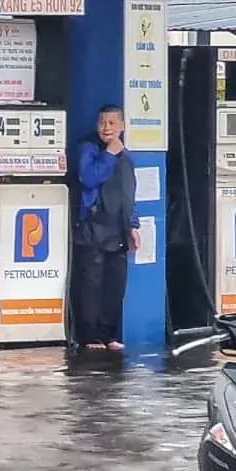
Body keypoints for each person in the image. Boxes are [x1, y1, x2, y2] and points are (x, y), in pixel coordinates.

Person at [70, 105, 137, 354]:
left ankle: (109, 334)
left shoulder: (125, 156)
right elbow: (88, 177)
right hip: (92, 227)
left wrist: (133, 226)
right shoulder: (89, 148)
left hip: (117, 229)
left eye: (112, 123)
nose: (106, 128)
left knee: (115, 285)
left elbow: (128, 194)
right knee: (91, 283)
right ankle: (89, 335)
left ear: (122, 126)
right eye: (102, 123)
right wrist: (108, 154)